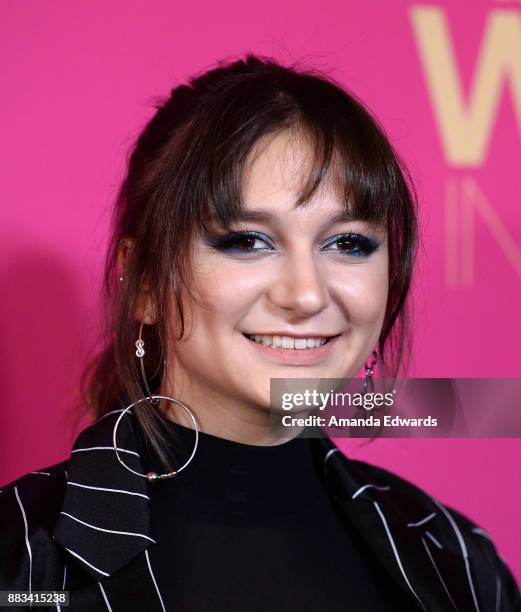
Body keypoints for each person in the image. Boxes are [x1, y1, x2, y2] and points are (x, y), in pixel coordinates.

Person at [0, 54, 519, 612]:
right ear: (146, 278)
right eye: (248, 240)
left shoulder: (452, 559)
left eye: (347, 244)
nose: (307, 294)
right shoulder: (22, 558)